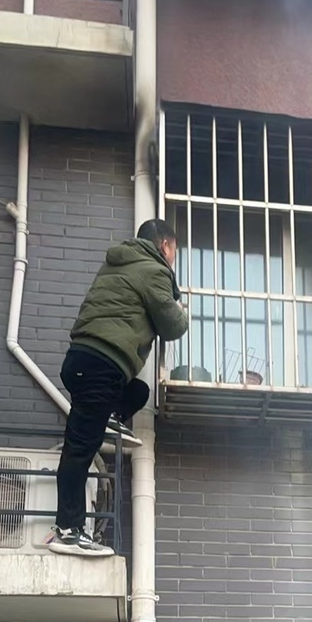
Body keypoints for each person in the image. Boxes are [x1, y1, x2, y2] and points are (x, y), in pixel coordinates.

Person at [48, 218, 187, 557]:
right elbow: (172, 325)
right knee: (80, 450)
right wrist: (181, 305)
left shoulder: (116, 264)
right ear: (165, 246)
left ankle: (111, 415)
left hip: (88, 363)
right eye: (174, 251)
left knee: (138, 392)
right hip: (100, 365)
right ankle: (68, 531)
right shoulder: (153, 269)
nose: (173, 259)